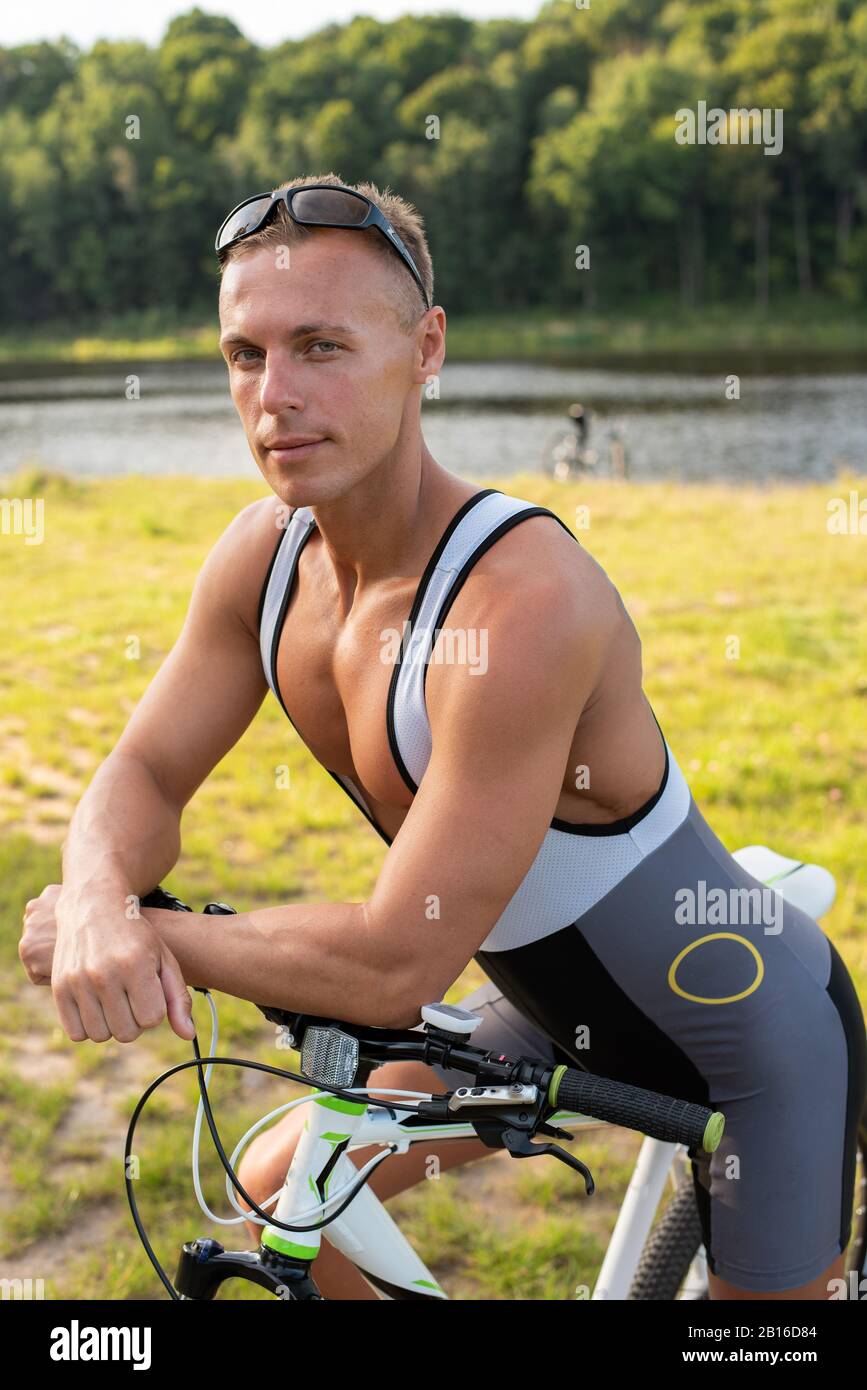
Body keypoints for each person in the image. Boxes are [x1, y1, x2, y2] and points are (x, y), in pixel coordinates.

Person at [20, 174, 865, 1302]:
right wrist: (89, 891)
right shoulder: (262, 560)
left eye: (322, 346)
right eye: (245, 354)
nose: (275, 395)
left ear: (426, 349)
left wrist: (145, 932)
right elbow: (145, 769)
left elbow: (392, 961)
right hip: (551, 1019)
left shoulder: (520, 602)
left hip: (753, 1048)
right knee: (291, 1190)